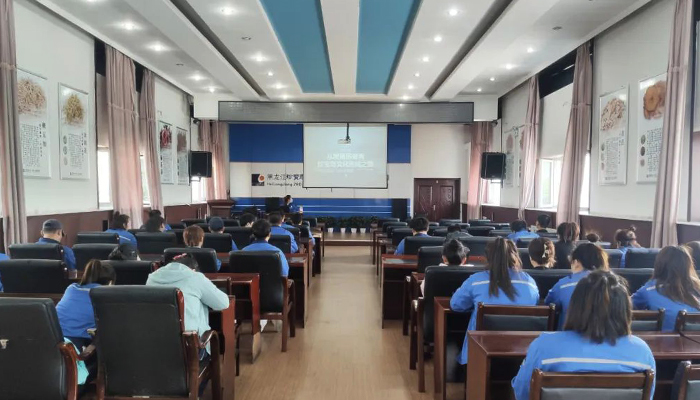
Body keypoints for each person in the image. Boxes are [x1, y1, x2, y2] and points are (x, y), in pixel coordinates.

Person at [512, 270, 656, 400]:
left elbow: (522, 393)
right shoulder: (642, 353)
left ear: (575, 305)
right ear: (625, 310)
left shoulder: (543, 346)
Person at [450, 237, 539, 364]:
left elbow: (456, 305)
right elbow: (534, 304)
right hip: (521, 357)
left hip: (480, 356)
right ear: (515, 256)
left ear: (487, 258)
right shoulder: (530, 283)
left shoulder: (476, 281)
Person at [146, 254, 229, 354]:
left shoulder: (152, 278)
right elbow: (223, 303)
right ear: (193, 269)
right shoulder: (195, 277)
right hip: (189, 348)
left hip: (155, 345)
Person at [632, 245, 700, 331]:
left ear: (659, 265)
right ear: (688, 266)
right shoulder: (697, 287)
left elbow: (622, 307)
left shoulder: (648, 291)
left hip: (662, 339)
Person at [545, 243, 609, 330]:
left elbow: (549, 304)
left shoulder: (563, 285)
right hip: (603, 335)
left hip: (567, 335)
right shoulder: (613, 285)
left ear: (575, 262)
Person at [56, 260, 116, 349]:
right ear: (110, 282)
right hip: (75, 346)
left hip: (54, 339)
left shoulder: (71, 288)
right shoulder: (105, 295)